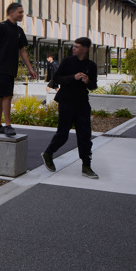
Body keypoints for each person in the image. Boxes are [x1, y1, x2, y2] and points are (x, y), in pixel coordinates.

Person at [41, 37, 99, 179]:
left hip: (82, 103)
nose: (74, 48)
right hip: (66, 101)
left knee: (85, 135)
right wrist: (73, 77)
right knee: (63, 134)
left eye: (77, 46)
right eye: (74, 46)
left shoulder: (91, 65)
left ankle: (86, 166)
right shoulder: (67, 62)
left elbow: (93, 86)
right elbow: (56, 79)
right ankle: (48, 153)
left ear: (85, 49)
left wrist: (87, 81)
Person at [0, 2, 38, 136]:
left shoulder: (19, 31)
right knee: (7, 96)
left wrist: (30, 69)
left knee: (1, 96)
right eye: (20, 12)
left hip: (11, 68)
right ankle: (8, 125)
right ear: (11, 13)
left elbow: (23, 51)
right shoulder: (1, 27)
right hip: (0, 67)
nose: (22, 15)